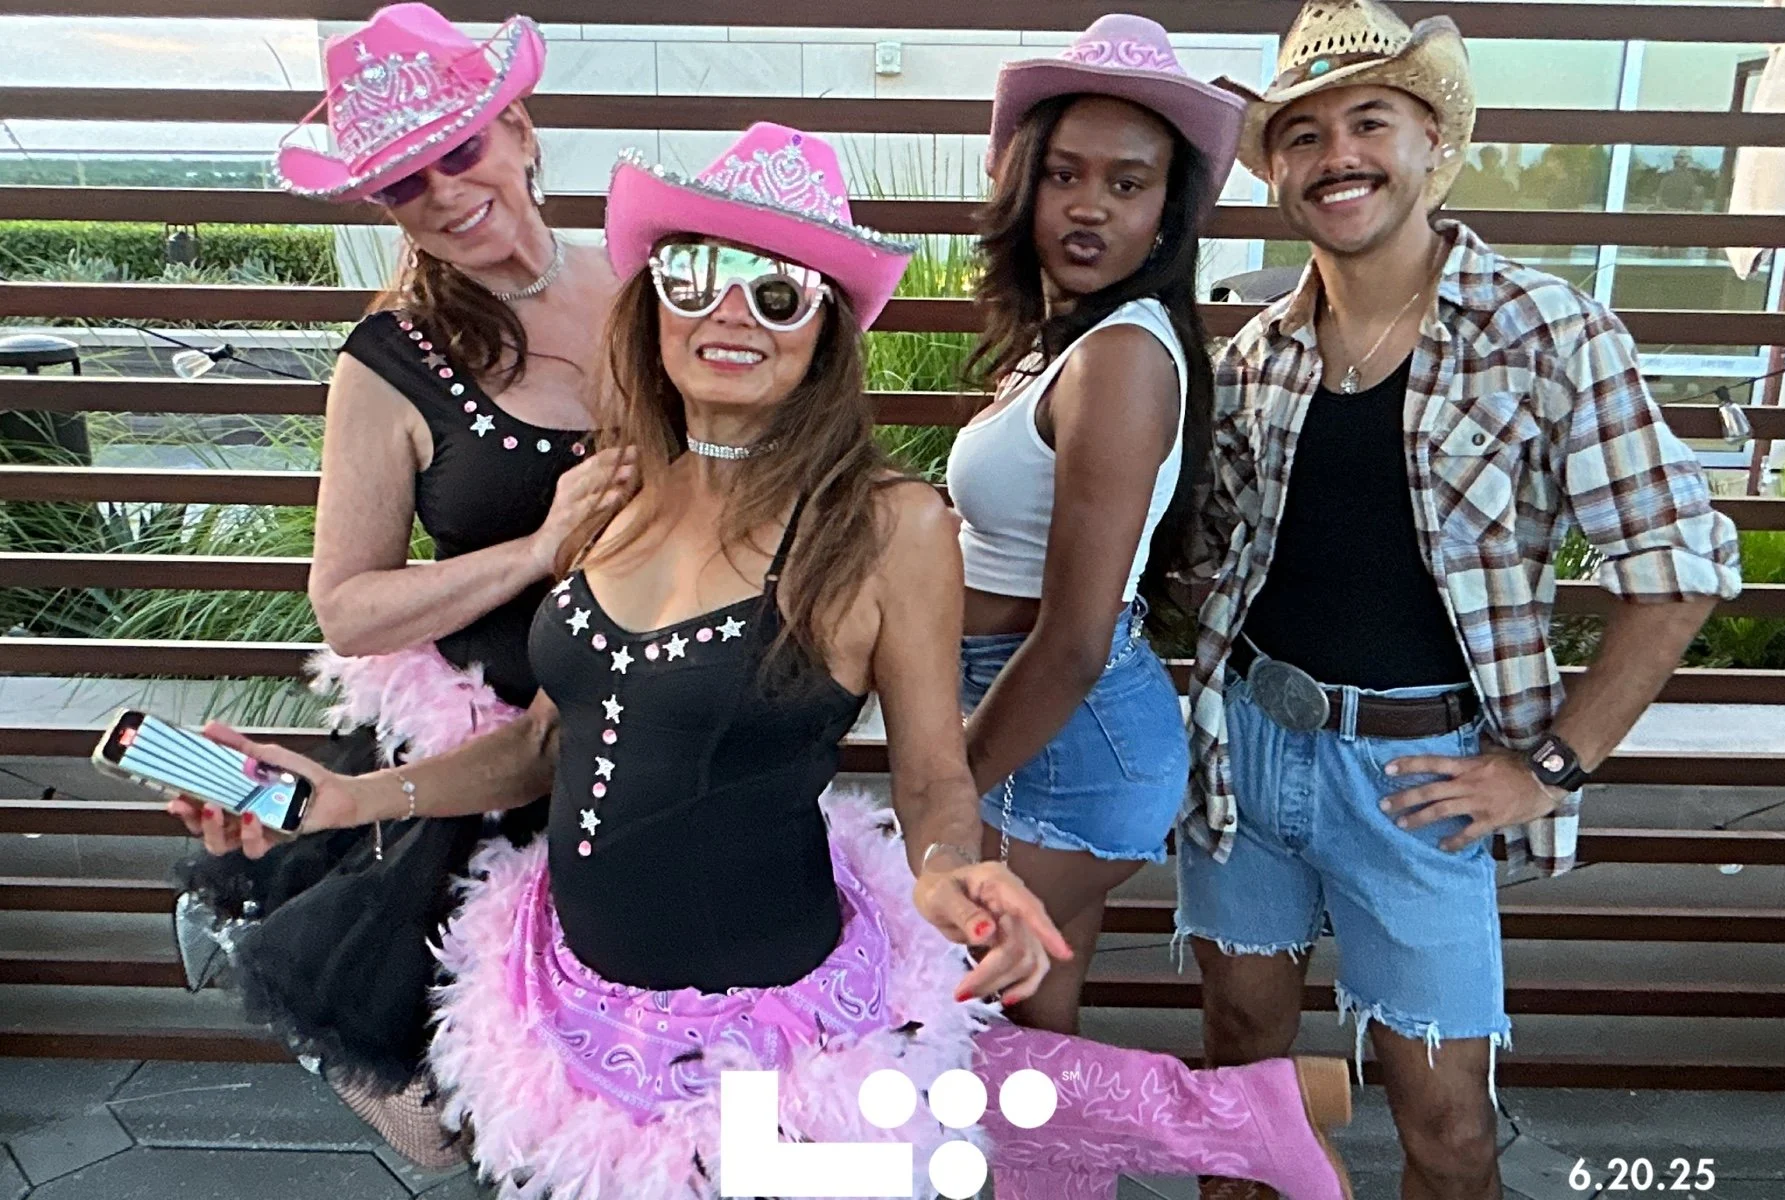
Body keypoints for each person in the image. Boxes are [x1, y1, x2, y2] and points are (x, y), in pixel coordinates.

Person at [174, 123, 1359, 1200]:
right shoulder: (614, 491)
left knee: (837, 1144)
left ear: (826, 332)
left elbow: (937, 782)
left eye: (779, 290)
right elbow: (547, 741)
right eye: (693, 276)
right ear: (652, 306)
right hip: (568, 1005)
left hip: (780, 1024)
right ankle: (1243, 1114)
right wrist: (347, 798)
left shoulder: (890, 525)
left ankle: (1229, 1116)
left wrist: (950, 873)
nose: (729, 312)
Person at [1177, 3, 1744, 1197]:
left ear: (1436, 143)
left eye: (1370, 121)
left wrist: (1550, 766)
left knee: (1447, 1132)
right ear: (1277, 170)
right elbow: (1215, 556)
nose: (1337, 155)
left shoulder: (1546, 333)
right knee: (1240, 1078)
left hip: (1418, 780)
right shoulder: (1256, 354)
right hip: (1246, 757)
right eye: (1303, 134)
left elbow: (1677, 571)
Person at [170, 2, 634, 1168]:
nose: (440, 192)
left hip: (652, 730)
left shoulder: (645, 289)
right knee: (459, 1119)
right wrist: (537, 551)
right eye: (400, 183)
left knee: (640, 1079)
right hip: (492, 757)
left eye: (459, 151)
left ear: (519, 131)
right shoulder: (389, 364)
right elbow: (347, 604)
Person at [947, 14, 1244, 1036]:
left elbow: (1072, 637)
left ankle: (1260, 1134)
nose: (1088, 209)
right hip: (1043, 723)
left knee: (939, 994)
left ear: (1167, 213)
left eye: (1126, 185)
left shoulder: (1120, 358)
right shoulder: (1073, 341)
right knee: (1035, 1027)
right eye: (1066, 175)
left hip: (1066, 737)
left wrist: (944, 792)